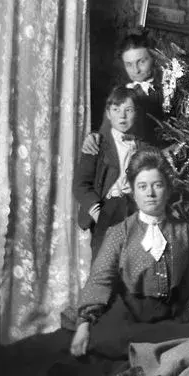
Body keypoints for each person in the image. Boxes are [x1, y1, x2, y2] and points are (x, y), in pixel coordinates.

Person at [69, 146, 189, 361]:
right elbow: (100, 280)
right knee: (105, 342)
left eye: (157, 185)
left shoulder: (187, 233)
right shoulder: (119, 233)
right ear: (132, 191)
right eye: (142, 186)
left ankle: (155, 354)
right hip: (129, 315)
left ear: (167, 189)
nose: (150, 193)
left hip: (169, 317)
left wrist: (181, 310)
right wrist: (84, 325)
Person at [74, 86, 143, 261]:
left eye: (128, 110)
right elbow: (80, 185)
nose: (122, 116)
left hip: (133, 209)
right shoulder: (96, 144)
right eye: (116, 110)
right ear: (108, 113)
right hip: (106, 208)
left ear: (136, 113)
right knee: (103, 263)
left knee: (132, 263)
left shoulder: (142, 147)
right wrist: (97, 211)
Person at [83, 30, 166, 155]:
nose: (136, 70)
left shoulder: (166, 91)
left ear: (154, 58)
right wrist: (94, 138)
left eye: (142, 62)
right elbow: (106, 132)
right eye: (129, 64)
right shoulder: (120, 92)